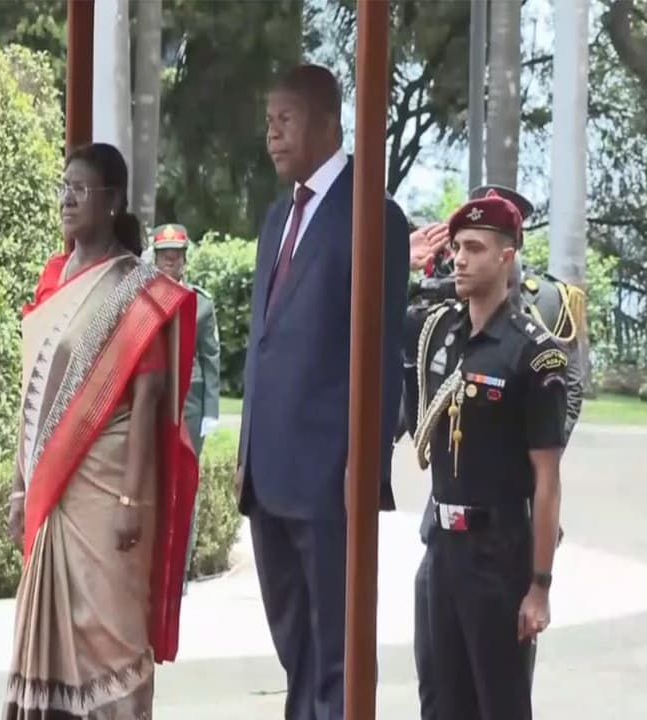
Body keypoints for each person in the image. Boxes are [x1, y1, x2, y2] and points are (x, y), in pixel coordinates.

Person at [235, 64, 409, 720]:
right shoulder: (277, 219)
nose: (272, 135)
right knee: (296, 649)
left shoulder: (372, 216)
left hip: (329, 481)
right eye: (268, 122)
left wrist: (362, 466)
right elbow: (266, 345)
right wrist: (248, 453)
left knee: (337, 651)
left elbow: (384, 351)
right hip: (269, 477)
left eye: (285, 120)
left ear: (329, 123)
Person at [2, 143, 199, 719]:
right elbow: (30, 396)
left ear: (111, 202)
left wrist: (130, 500)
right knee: (48, 634)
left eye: (80, 188)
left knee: (110, 631)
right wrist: (20, 486)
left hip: (108, 486)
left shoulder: (136, 288)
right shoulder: (52, 278)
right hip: (50, 489)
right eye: (63, 186)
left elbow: (148, 399)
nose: (67, 198)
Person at [406, 185, 584, 720]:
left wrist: (539, 587)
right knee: (440, 701)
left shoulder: (536, 353)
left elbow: (547, 479)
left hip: (498, 555)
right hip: (442, 549)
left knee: (498, 705)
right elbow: (373, 314)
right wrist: (402, 262)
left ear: (507, 255)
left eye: (475, 247)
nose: (459, 258)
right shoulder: (442, 332)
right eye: (456, 246)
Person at [148, 223, 220, 592]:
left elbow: (210, 357)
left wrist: (211, 410)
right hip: (153, 399)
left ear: (184, 261)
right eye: (163, 257)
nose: (169, 264)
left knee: (183, 485)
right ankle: (152, 566)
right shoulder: (142, 299)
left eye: (175, 257)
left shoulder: (200, 302)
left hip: (189, 400)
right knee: (151, 482)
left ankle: (178, 571)